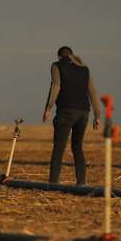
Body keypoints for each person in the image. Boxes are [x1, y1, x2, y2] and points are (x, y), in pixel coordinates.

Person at [42, 46, 100, 186]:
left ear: (59, 56)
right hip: (84, 113)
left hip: (66, 112)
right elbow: (92, 92)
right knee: (77, 147)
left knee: (59, 148)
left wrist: (48, 108)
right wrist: (97, 116)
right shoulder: (84, 69)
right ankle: (81, 183)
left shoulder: (57, 66)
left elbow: (56, 86)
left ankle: (53, 183)